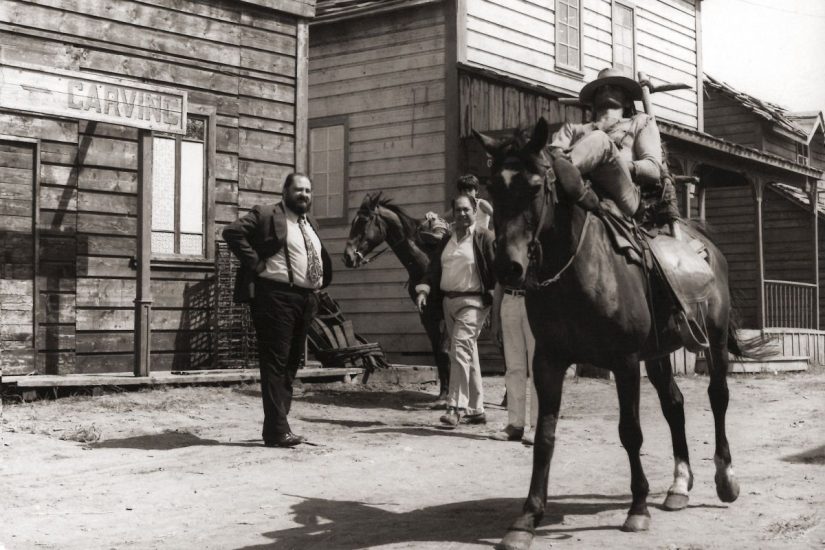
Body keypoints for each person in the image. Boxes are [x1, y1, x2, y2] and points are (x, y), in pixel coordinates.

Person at [222, 173, 332, 448]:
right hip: (275, 297)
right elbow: (232, 232)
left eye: (307, 191)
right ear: (285, 191)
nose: (303, 195)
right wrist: (256, 264)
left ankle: (277, 426)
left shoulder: (310, 223)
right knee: (275, 363)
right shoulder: (267, 214)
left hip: (305, 299)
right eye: (298, 190)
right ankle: (277, 430)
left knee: (292, 362)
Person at [415, 195, 496, 427]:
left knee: (459, 350)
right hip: (448, 302)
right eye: (458, 210)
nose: (462, 214)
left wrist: (491, 302)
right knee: (467, 354)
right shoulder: (447, 240)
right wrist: (424, 290)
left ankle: (455, 407)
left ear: (474, 210)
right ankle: (477, 409)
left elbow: (494, 272)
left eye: (466, 210)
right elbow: (434, 269)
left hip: (473, 303)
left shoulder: (483, 237)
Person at [549, 66, 662, 218]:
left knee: (600, 139)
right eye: (601, 88)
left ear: (628, 101)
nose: (607, 89)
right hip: (581, 186)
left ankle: (562, 172)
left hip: (624, 193)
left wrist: (610, 162)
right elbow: (553, 154)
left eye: (614, 88)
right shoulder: (572, 129)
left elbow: (654, 169)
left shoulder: (640, 122)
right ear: (594, 102)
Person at [490, 283, 538, 445]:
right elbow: (499, 282)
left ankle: (538, 426)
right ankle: (515, 425)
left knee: (537, 367)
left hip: (536, 299)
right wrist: (495, 319)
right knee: (513, 367)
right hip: (510, 299)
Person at [425, 174, 494, 230]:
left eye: (470, 190)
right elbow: (443, 216)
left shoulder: (482, 203)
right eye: (464, 190)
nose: (467, 193)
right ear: (460, 192)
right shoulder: (460, 206)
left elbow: (497, 218)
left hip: (481, 240)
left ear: (476, 191)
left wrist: (494, 234)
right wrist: (432, 215)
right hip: (466, 239)